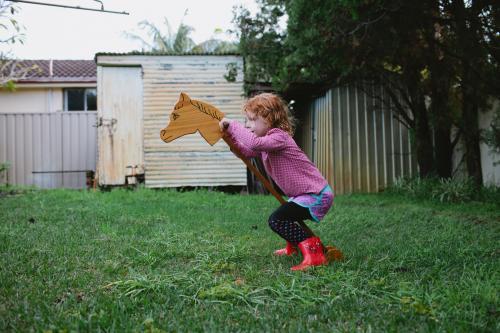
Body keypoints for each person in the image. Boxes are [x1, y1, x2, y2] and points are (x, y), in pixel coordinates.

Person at [219, 93, 334, 271]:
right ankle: (294, 247)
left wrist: (233, 125)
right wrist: (230, 139)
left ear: (269, 118)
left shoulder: (279, 137)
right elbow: (248, 151)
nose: (247, 126)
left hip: (316, 195)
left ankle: (315, 253)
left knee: (277, 220)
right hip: (304, 195)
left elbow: (254, 144)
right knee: (285, 215)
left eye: (251, 120)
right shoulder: (267, 143)